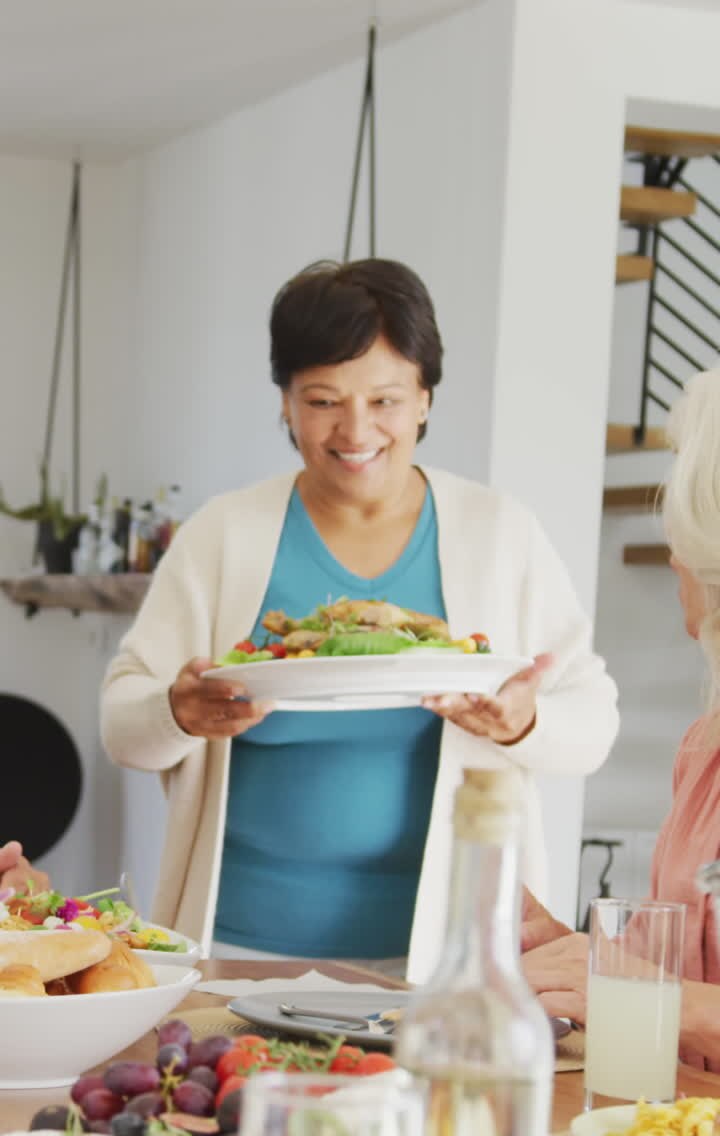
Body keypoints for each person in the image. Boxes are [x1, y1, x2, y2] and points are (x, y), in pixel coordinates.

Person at [100, 258, 619, 983]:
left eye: (386, 399)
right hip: (237, 948)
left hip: (447, 957)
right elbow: (124, 725)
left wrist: (521, 723)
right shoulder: (226, 534)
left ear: (425, 399)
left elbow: (592, 724)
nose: (356, 430)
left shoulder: (499, 532)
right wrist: (178, 712)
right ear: (284, 402)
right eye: (322, 400)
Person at [523, 365, 720, 1071]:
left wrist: (636, 991)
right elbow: (672, 965)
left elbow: (659, 995)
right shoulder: (704, 750)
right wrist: (568, 950)